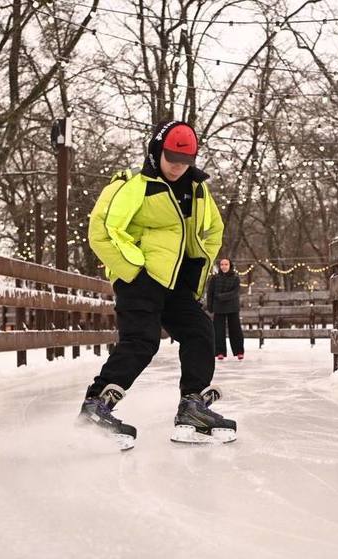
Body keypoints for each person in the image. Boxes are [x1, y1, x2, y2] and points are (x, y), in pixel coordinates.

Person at [77, 120, 237, 448]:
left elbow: (214, 229)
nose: (178, 167)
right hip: (141, 278)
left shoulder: (197, 190)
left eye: (185, 161)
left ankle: (192, 405)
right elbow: (100, 230)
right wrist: (131, 269)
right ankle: (97, 405)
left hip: (176, 282)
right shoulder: (133, 185)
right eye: (172, 159)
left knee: (200, 332)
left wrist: (197, 266)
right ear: (156, 152)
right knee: (142, 340)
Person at [207, 258, 244, 360]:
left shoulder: (236, 278)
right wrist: (210, 306)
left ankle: (239, 351)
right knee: (218, 331)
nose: (224, 266)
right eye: (222, 264)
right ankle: (220, 352)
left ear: (230, 265)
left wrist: (220, 297)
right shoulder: (214, 278)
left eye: (226, 264)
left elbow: (235, 292)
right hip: (218, 308)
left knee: (235, 330)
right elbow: (210, 293)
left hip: (233, 307)